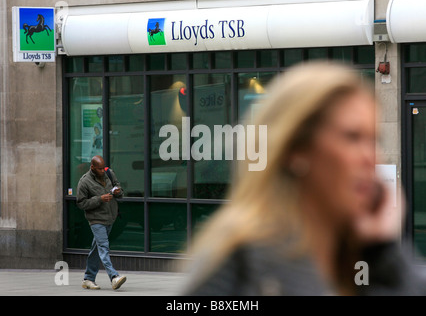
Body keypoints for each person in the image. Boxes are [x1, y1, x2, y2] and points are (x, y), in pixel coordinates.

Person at [182, 61, 426, 296]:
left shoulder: (368, 255)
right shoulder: (239, 262)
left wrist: (382, 249)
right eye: (352, 138)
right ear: (295, 149)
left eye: (374, 140)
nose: (372, 158)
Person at [76, 155, 127, 290]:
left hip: (110, 217)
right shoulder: (84, 182)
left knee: (96, 248)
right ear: (92, 167)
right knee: (103, 247)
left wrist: (117, 191)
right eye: (99, 169)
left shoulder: (109, 173)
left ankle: (88, 278)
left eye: (103, 168)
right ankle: (114, 277)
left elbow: (120, 192)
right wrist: (99, 199)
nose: (102, 171)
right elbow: (81, 203)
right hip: (96, 220)